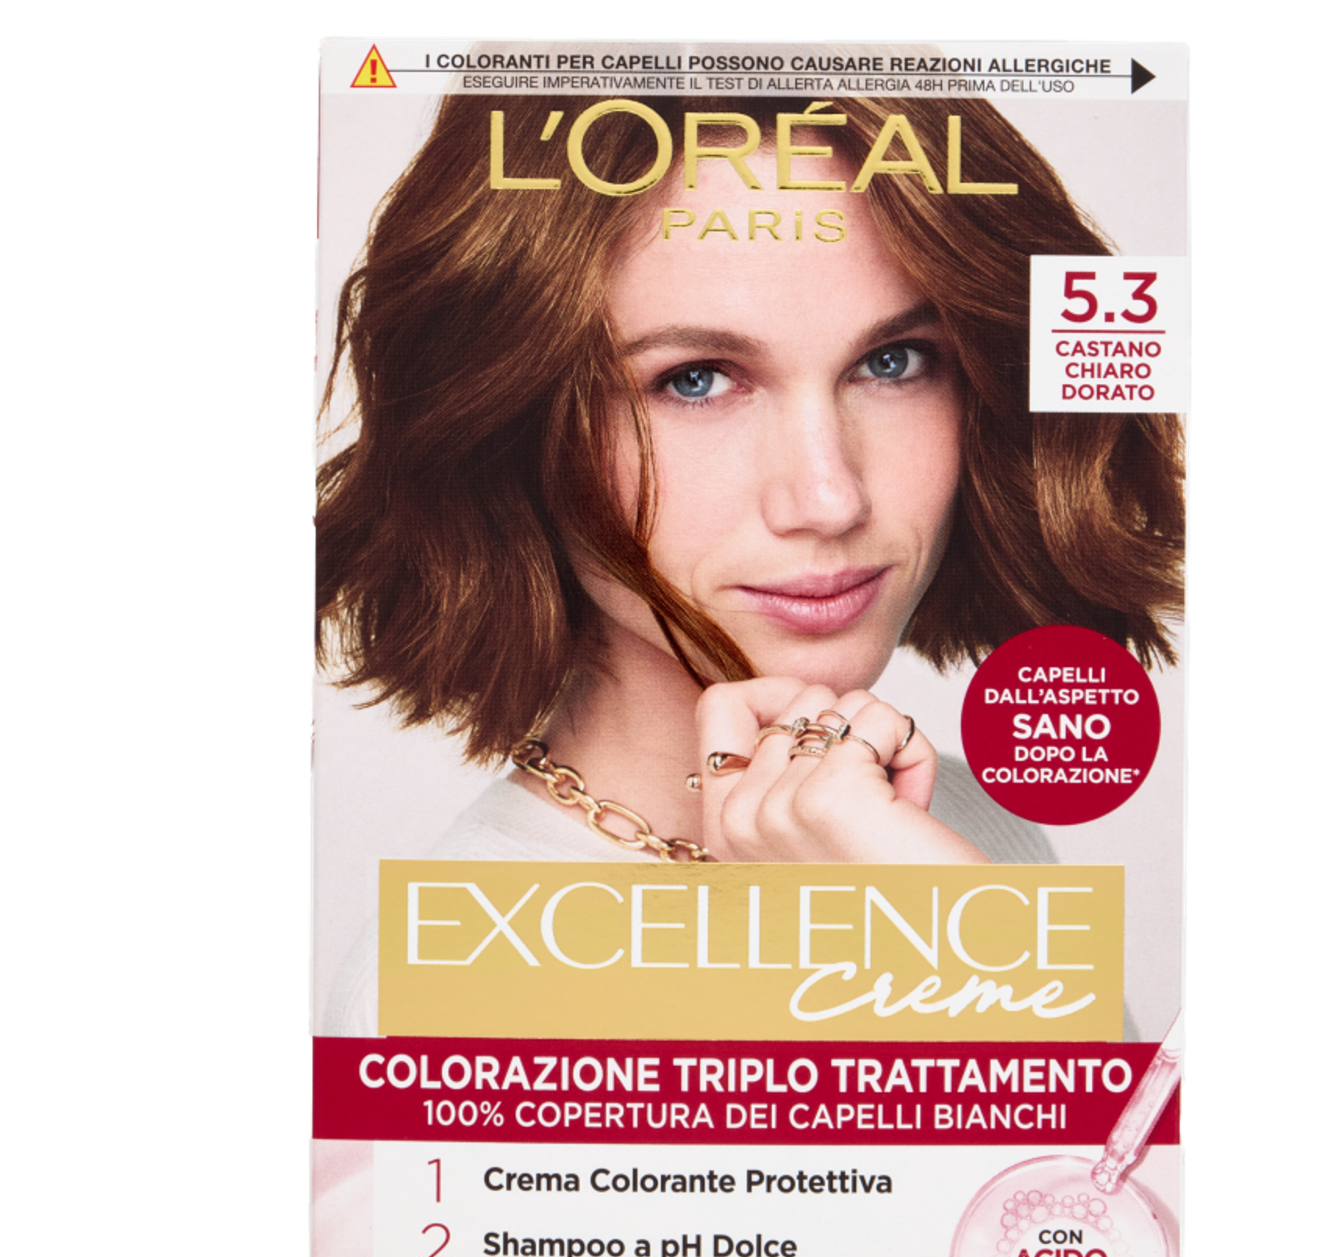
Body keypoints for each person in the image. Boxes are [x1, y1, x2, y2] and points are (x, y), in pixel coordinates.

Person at [316, 94, 1183, 876]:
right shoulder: (457, 965)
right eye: (693, 380)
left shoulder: (953, 832)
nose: (831, 500)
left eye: (893, 361)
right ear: (510, 424)